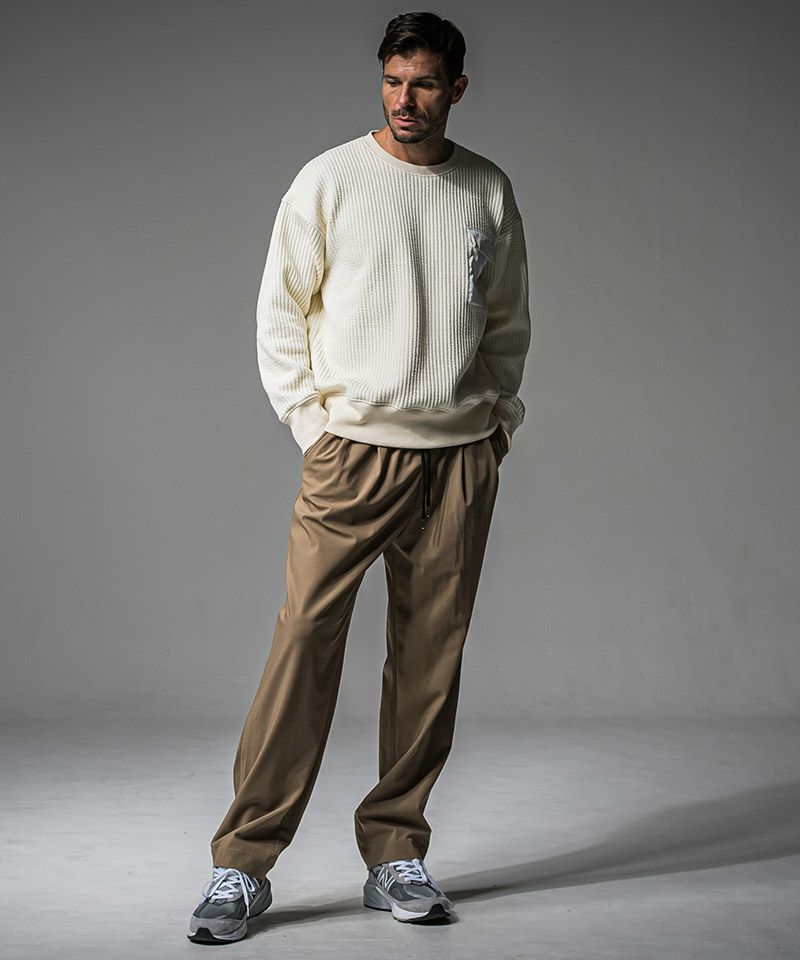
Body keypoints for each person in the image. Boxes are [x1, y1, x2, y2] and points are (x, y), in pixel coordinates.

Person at [188, 10, 531, 944]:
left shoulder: (487, 188)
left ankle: (395, 852)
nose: (405, 100)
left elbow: (507, 320)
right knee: (305, 641)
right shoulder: (329, 179)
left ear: (457, 89)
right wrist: (313, 426)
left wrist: (496, 424)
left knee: (430, 659)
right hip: (353, 453)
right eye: (393, 81)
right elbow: (279, 311)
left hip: (459, 456)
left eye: (424, 84)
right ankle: (242, 865)